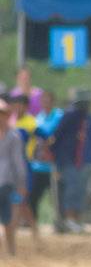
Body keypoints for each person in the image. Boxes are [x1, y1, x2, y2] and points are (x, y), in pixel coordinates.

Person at [50, 89, 91, 233]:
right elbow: (57, 138)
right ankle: (69, 219)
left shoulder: (90, 119)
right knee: (72, 189)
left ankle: (77, 220)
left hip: (86, 161)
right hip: (69, 160)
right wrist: (57, 161)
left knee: (83, 191)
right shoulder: (69, 116)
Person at [1, 95, 29, 255]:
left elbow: (18, 161)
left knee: (7, 218)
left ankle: (11, 249)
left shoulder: (13, 136)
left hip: (6, 181)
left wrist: (22, 184)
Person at [29, 89, 62, 231]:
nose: (46, 103)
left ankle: (59, 223)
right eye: (44, 100)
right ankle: (33, 223)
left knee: (57, 197)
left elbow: (59, 136)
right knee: (34, 196)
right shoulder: (38, 118)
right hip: (39, 165)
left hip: (54, 164)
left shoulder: (59, 116)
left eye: (49, 100)